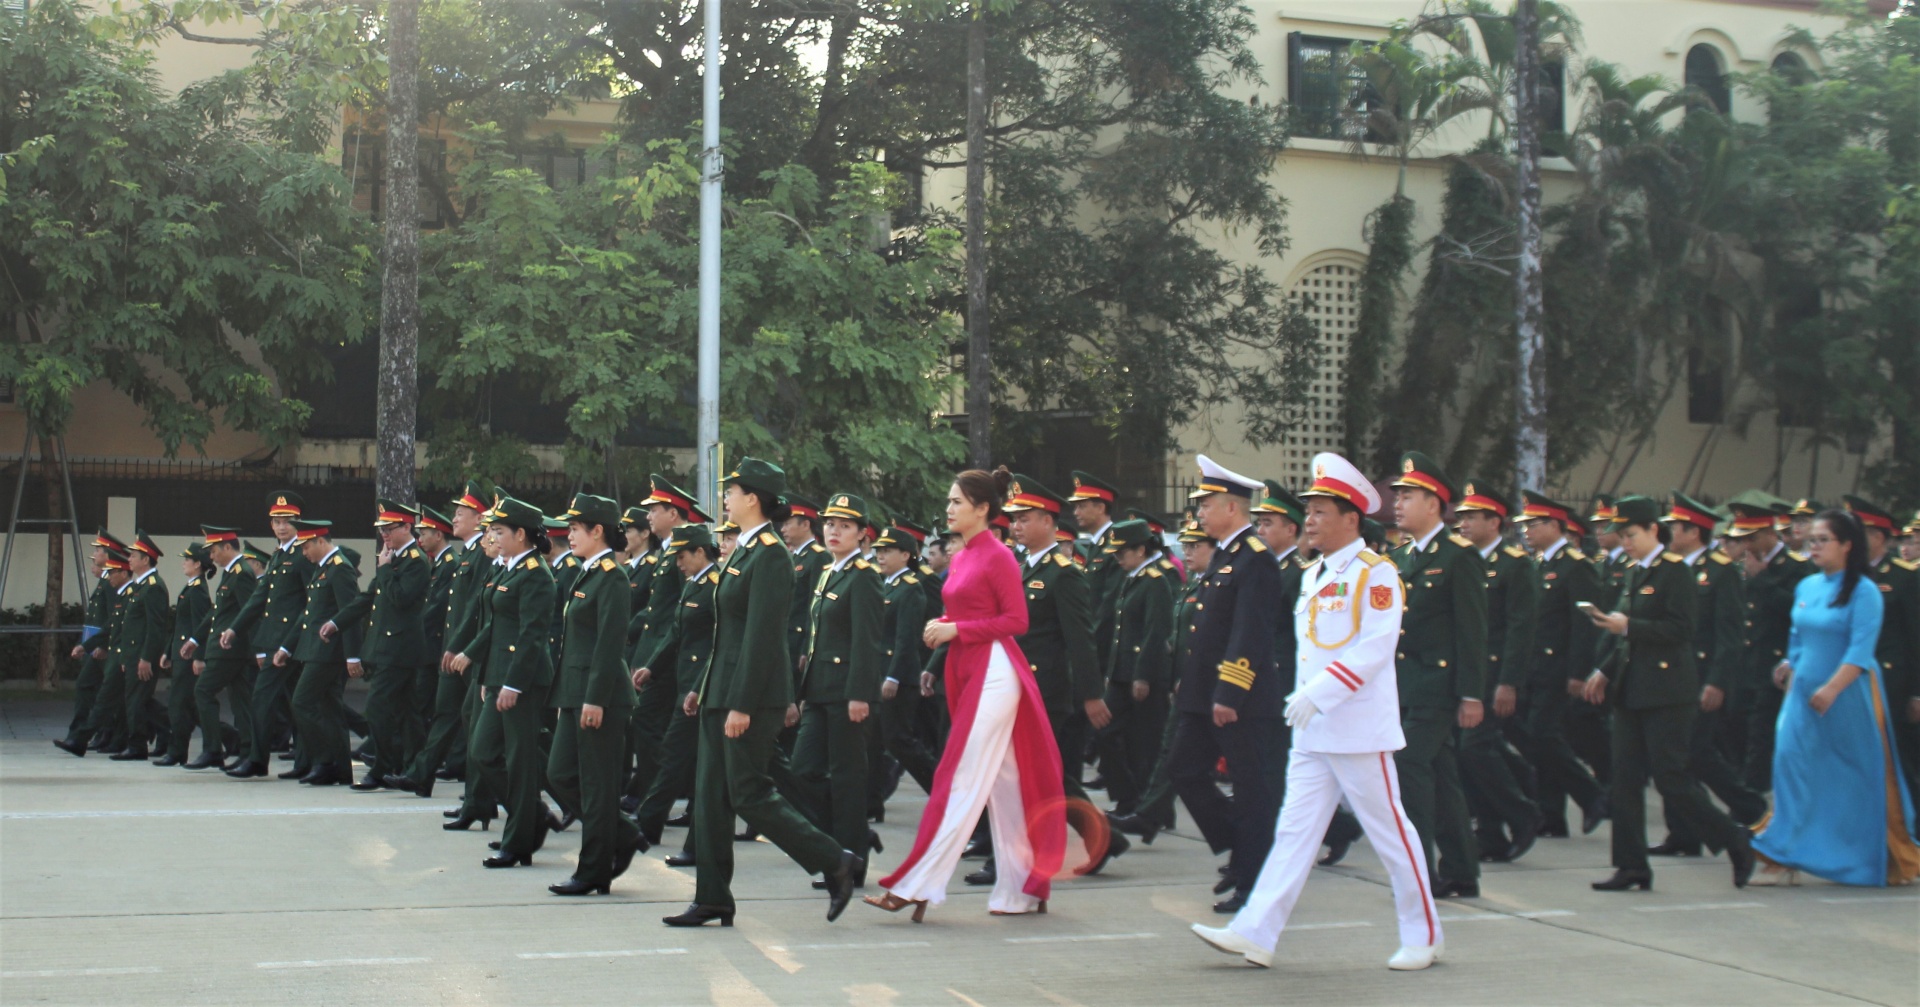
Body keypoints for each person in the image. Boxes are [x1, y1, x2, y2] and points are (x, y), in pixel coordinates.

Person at [1190, 450, 1442, 972]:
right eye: (1309, 511)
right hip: (1311, 730)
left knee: (1392, 834)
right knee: (1293, 835)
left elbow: (1375, 648)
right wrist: (1304, 699)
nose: (1310, 520)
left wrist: (1320, 693)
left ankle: (1424, 934)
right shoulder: (1314, 574)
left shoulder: (1375, 574)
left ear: (1351, 519)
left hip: (1356, 729)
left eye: (1321, 512)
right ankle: (1256, 932)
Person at [666, 458, 862, 927]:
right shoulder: (742, 550)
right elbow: (727, 634)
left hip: (750, 697)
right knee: (710, 798)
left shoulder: (771, 554)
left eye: (731, 492)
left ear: (752, 498)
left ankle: (835, 859)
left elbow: (762, 637)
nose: (725, 499)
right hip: (720, 690)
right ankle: (712, 897)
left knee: (749, 793)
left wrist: (741, 704)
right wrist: (703, 686)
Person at [867, 468, 1065, 922]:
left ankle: (917, 884)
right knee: (1005, 784)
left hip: (994, 671)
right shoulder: (962, 555)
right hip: (967, 669)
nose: (949, 508)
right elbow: (961, 614)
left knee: (959, 778)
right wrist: (943, 634)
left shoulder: (999, 556)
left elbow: (1016, 621)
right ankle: (1023, 886)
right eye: (950, 501)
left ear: (982, 508)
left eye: (957, 501)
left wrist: (956, 629)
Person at [1583, 495, 1756, 891]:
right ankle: (1631, 866)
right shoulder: (1633, 571)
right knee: (1625, 781)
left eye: (1631, 534)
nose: (1625, 542)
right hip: (1631, 688)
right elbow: (1626, 637)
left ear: (1652, 530)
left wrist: (1629, 627)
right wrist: (1604, 669)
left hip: (1667, 690)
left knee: (1672, 778)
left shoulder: (1675, 572)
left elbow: (1680, 629)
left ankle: (1733, 839)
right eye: (1621, 536)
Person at [1751, 508, 1919, 886]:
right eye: (1811, 540)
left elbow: (1860, 651)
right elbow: (1797, 636)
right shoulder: (1807, 586)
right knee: (1789, 764)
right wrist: (1788, 663)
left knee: (1849, 778)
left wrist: (1832, 688)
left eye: (1822, 540)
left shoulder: (1864, 591)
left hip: (1847, 695)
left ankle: (1858, 856)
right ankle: (1784, 854)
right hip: (1802, 692)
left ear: (1847, 545)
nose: (1814, 547)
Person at [1169, 455, 1287, 913]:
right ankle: (1239, 846)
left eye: (1206, 505)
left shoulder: (1256, 559)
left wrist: (1230, 692)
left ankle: (1251, 879)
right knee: (1183, 770)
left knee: (1252, 791)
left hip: (1239, 699)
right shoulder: (1225, 555)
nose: (1199, 513)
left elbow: (1250, 633)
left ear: (1232, 508)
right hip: (1203, 694)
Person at [1388, 453, 1486, 898]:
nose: (1398, 504)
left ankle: (1420, 873)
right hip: (1405, 684)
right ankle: (1462, 870)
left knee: (1409, 765)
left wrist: (1472, 694)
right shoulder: (1398, 557)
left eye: (1407, 496)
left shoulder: (1459, 557)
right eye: (1398, 496)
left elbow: (1472, 630)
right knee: (1442, 777)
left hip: (1439, 686)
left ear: (1434, 504)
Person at [544, 493, 649, 895]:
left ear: (598, 531)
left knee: (597, 786)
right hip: (574, 692)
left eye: (575, 529)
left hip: (599, 696)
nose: (568, 535)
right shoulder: (587, 572)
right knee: (560, 774)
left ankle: (592, 871)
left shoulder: (612, 577)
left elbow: (609, 643)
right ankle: (623, 834)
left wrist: (595, 698)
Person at [1651, 492, 1766, 856]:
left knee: (1694, 755)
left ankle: (1751, 809)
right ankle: (1684, 835)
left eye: (1675, 527)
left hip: (1703, 677)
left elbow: (1730, 635)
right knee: (1677, 757)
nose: (1669, 532)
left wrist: (1718, 681)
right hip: (1672, 677)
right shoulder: (1671, 568)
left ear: (1693, 531)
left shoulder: (1721, 572)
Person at [449, 497, 559, 866]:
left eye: (499, 530)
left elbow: (530, 636)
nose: (492, 536)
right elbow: (496, 626)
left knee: (521, 761)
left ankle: (519, 842)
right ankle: (532, 816)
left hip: (523, 680)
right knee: (482, 752)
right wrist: (481, 667)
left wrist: (512, 684)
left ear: (520, 534)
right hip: (499, 675)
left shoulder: (536, 574)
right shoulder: (510, 570)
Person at [791, 493, 886, 882]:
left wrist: (859, 694)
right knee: (802, 772)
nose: (834, 531)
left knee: (847, 780)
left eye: (845, 526)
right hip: (818, 691)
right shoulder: (828, 571)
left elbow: (867, 640)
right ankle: (854, 839)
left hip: (847, 694)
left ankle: (850, 864)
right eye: (830, 524)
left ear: (862, 534)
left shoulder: (863, 576)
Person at [1452, 482, 1543, 863]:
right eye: (1462, 517)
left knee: (1475, 748)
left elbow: (1522, 628)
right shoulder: (1464, 560)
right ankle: (1489, 833)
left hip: (1494, 673)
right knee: (1466, 754)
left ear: (1495, 522)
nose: (1463, 523)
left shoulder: (1514, 564)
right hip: (1466, 673)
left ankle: (1523, 813)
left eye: (1472, 517)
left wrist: (1510, 681)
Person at [1111, 519, 1214, 842]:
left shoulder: (1215, 584)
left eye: (1196, 546)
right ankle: (1149, 815)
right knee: (1173, 755)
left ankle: (1338, 828)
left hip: (1214, 686)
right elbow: (1178, 637)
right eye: (1186, 546)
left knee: (1245, 768)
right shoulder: (1195, 583)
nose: (1188, 552)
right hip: (1188, 684)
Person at [1515, 493, 1610, 837]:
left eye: (1533, 524)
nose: (1526, 531)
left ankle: (1592, 794)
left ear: (1555, 525)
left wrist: (1578, 672)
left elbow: (1585, 625)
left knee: (1543, 734)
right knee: (1539, 739)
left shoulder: (1576, 565)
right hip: (1536, 666)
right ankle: (1552, 814)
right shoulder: (1538, 564)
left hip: (1559, 667)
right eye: (1525, 524)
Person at [325, 499, 430, 791]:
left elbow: (401, 599)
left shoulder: (415, 561)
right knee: (407, 714)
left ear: (406, 527)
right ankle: (415, 771)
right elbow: (368, 597)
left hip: (400, 649)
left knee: (378, 707)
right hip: (388, 648)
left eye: (389, 528)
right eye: (382, 529)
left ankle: (384, 767)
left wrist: (384, 569)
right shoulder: (393, 558)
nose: (384, 534)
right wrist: (336, 622)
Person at [634, 524, 720, 862]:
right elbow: (675, 633)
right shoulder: (693, 584)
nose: (678, 564)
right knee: (689, 759)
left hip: (700, 687)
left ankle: (648, 822)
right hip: (685, 684)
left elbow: (718, 645)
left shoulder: (715, 587)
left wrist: (698, 687)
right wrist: (651, 667)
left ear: (700, 552)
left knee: (674, 754)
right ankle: (655, 823)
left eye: (682, 557)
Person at [627, 476, 707, 813]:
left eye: (654, 510)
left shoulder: (681, 551)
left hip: (672, 656)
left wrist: (656, 658)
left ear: (673, 514)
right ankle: (655, 791)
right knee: (654, 725)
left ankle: (654, 791)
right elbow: (656, 610)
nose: (648, 517)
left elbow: (684, 610)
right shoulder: (667, 551)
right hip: (656, 652)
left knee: (650, 723)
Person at [1724, 495, 1811, 792]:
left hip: (1773, 664)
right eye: (1742, 539)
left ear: (1770, 533)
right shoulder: (1741, 566)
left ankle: (1753, 801)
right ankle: (1746, 792)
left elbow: (1799, 612)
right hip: (1743, 663)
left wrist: (1762, 579)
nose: (1746, 546)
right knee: (1733, 728)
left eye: (1752, 538)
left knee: (1760, 739)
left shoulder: (1797, 568)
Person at [224, 491, 312, 780]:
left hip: (293, 641)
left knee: (264, 698)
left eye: (288, 521)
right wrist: (235, 628)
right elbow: (259, 598)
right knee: (296, 702)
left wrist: (291, 641)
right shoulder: (278, 555)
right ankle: (304, 762)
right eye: (277, 521)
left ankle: (258, 759)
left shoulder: (303, 553)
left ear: (298, 522)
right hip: (276, 640)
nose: (282, 526)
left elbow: (311, 603)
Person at [1095, 518, 1175, 824]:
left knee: (1146, 744)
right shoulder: (1132, 578)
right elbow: (1120, 631)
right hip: (1121, 674)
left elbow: (1155, 632)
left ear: (1140, 550)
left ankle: (1152, 809)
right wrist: (1111, 670)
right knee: (1106, 732)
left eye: (1122, 552)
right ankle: (1128, 798)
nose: (1117, 558)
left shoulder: (1154, 581)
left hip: (1143, 676)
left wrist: (1143, 675)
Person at [277, 519, 363, 787]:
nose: (304, 553)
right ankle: (341, 769)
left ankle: (324, 761)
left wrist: (352, 655)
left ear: (321, 542)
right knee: (330, 709)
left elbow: (351, 613)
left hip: (329, 652)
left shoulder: (340, 569)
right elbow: (309, 614)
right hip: (315, 650)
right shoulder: (323, 569)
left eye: (306, 547)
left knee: (302, 702)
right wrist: (287, 646)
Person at [1844, 497, 1920, 788]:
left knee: (1899, 759)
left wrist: (1917, 693)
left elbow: (1916, 636)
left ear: (1877, 537)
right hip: (1852, 678)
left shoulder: (1904, 576)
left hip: (1891, 682)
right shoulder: (1846, 575)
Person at [384, 505, 458, 797]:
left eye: (425, 533)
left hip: (434, 645)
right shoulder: (438, 562)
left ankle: (419, 766)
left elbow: (436, 609)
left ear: (438, 535)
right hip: (428, 646)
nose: (420, 538)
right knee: (423, 709)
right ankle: (414, 768)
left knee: (428, 709)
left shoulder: (450, 563)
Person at [183, 527, 256, 771]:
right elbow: (217, 612)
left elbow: (250, 610)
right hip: (227, 648)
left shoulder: (242, 573)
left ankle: (213, 749)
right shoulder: (231, 573)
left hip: (230, 649)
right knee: (241, 702)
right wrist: (196, 639)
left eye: (214, 551)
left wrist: (253, 646)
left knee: (203, 691)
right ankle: (247, 752)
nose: (211, 558)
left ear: (227, 547)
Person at [53, 530, 126, 757]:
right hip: (96, 645)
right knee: (102, 691)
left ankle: (92, 734)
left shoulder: (111, 582)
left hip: (104, 647)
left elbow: (113, 619)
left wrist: (102, 645)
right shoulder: (105, 581)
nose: (94, 555)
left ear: (108, 554)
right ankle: (95, 733)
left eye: (98, 551)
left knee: (107, 692)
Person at [107, 532, 170, 761]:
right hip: (133, 654)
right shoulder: (140, 586)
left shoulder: (153, 587)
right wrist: (127, 657)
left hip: (142, 655)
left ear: (146, 559)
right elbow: (131, 626)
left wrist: (146, 657)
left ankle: (137, 746)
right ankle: (169, 730)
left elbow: (155, 628)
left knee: (136, 701)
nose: (129, 559)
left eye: (134, 556)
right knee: (139, 700)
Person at [156, 543, 213, 767]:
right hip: (181, 654)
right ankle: (229, 739)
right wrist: (168, 651)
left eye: (187, 560)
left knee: (178, 704)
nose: (183, 563)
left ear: (197, 564)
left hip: (188, 657)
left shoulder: (198, 591)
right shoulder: (191, 587)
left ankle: (177, 751)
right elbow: (180, 624)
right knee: (189, 706)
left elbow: (200, 626)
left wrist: (199, 656)